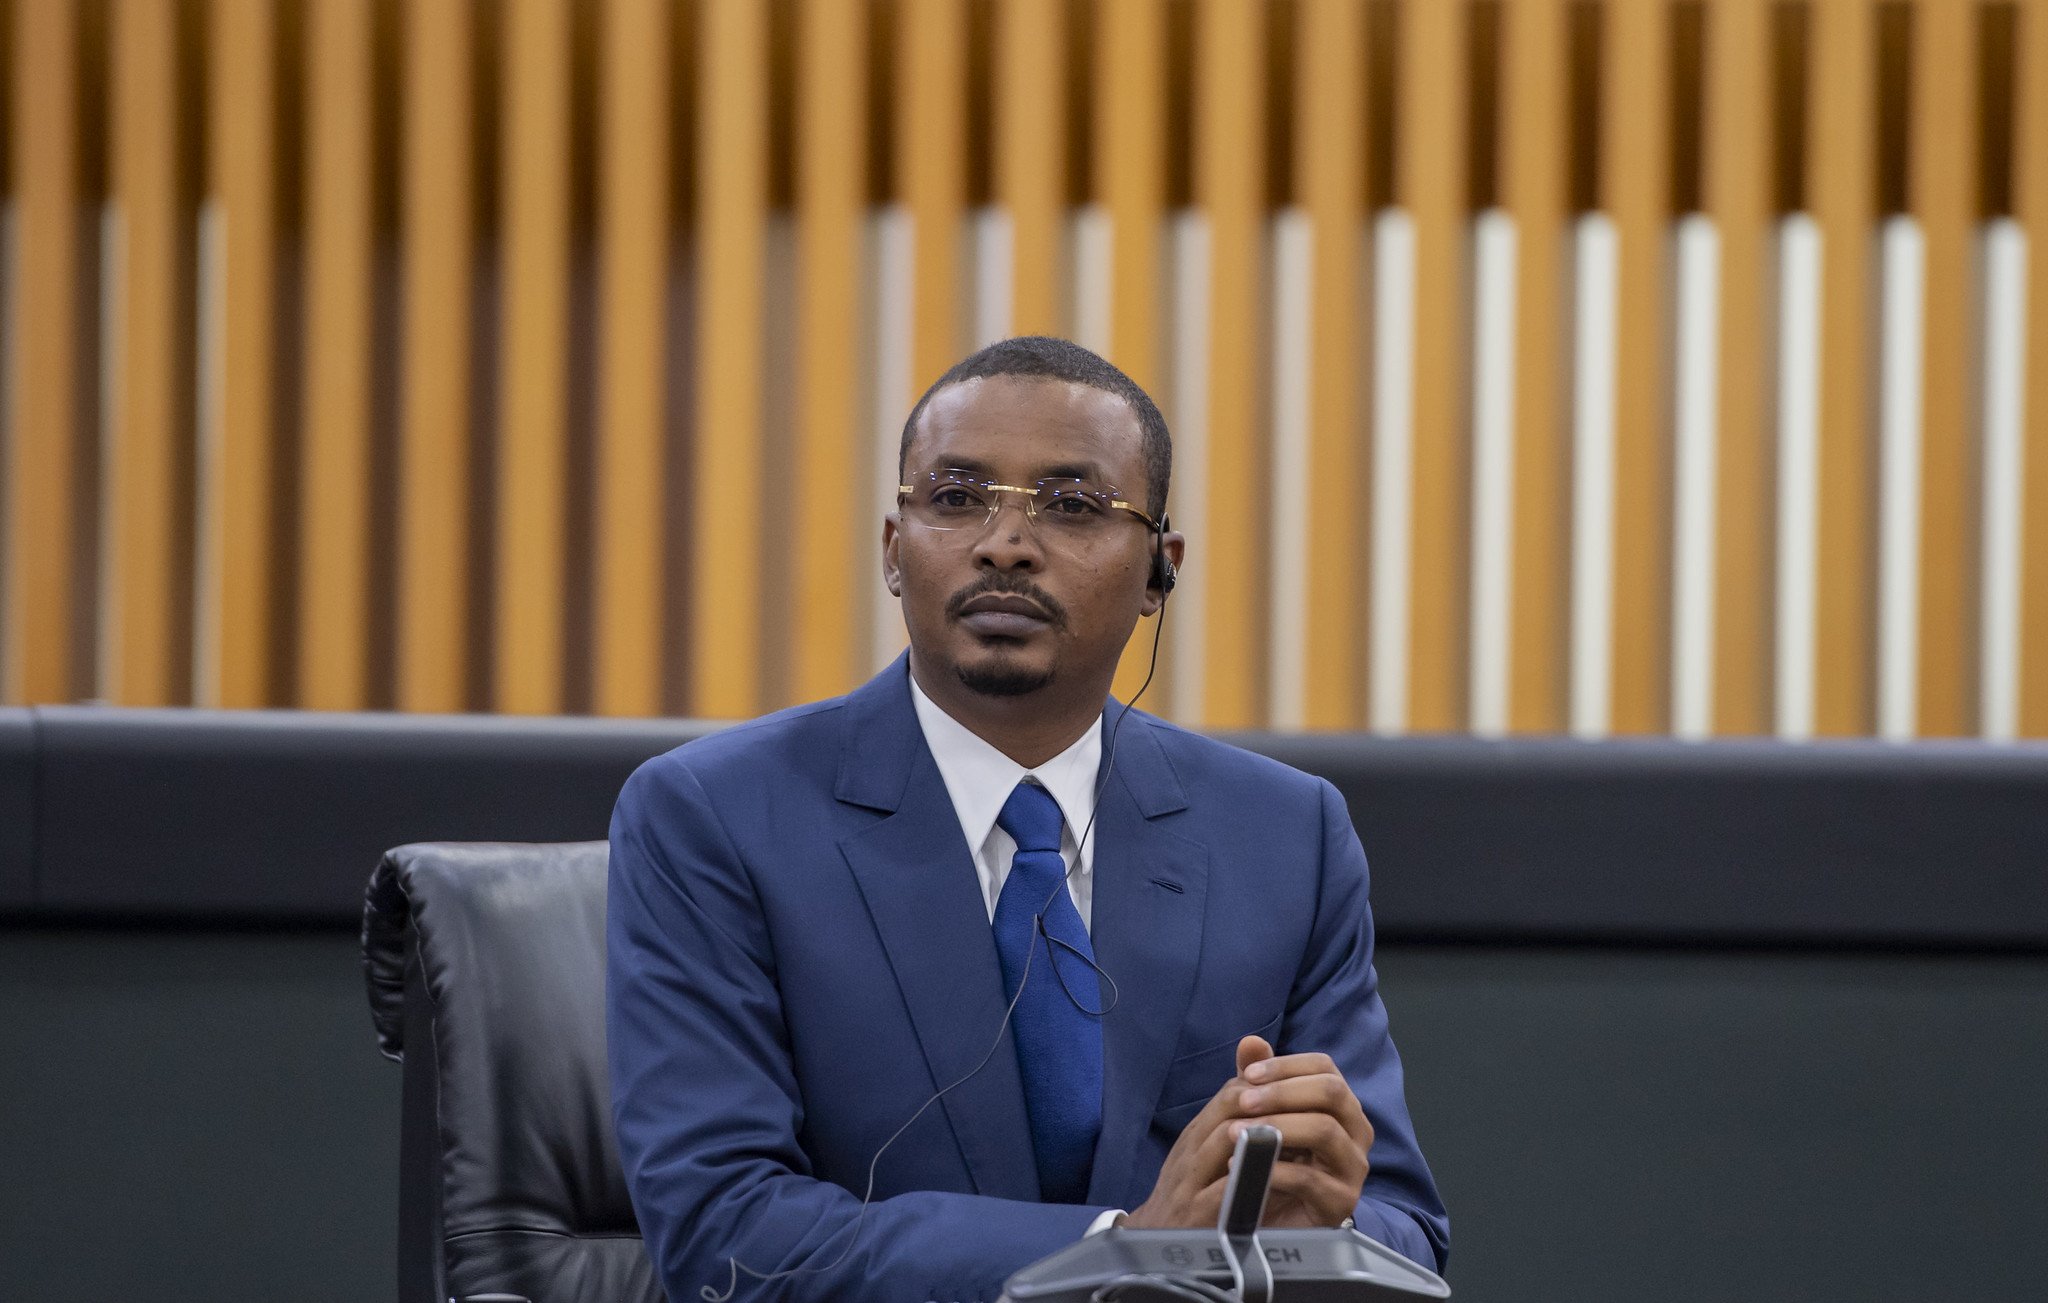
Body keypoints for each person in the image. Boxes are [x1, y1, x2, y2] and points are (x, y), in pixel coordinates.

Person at [608, 336, 1447, 1302]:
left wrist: (1324, 1218)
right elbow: (725, 1230)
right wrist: (1121, 1247)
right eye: (958, 498)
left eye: (1073, 506)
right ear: (894, 550)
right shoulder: (715, 815)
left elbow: (1406, 1230)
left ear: (1157, 573)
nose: (1004, 544)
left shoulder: (1282, 834)